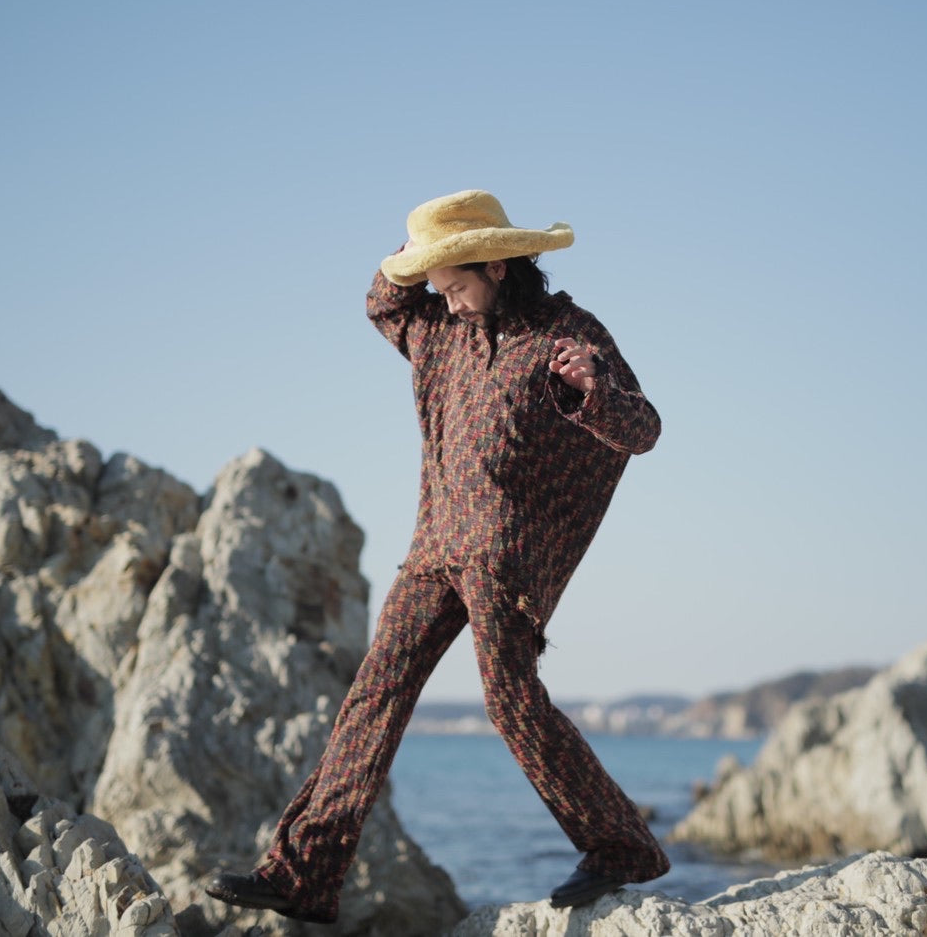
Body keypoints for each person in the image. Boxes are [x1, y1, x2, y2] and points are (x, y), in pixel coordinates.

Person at [206, 189, 669, 922]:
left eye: (455, 284)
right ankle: (305, 874)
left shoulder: (567, 334)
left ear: (496, 266)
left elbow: (643, 430)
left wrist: (593, 390)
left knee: (509, 700)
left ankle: (621, 846)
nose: (445, 300)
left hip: (504, 555)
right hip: (434, 543)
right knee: (375, 692)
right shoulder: (435, 330)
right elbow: (381, 301)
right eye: (437, 286)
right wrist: (420, 253)